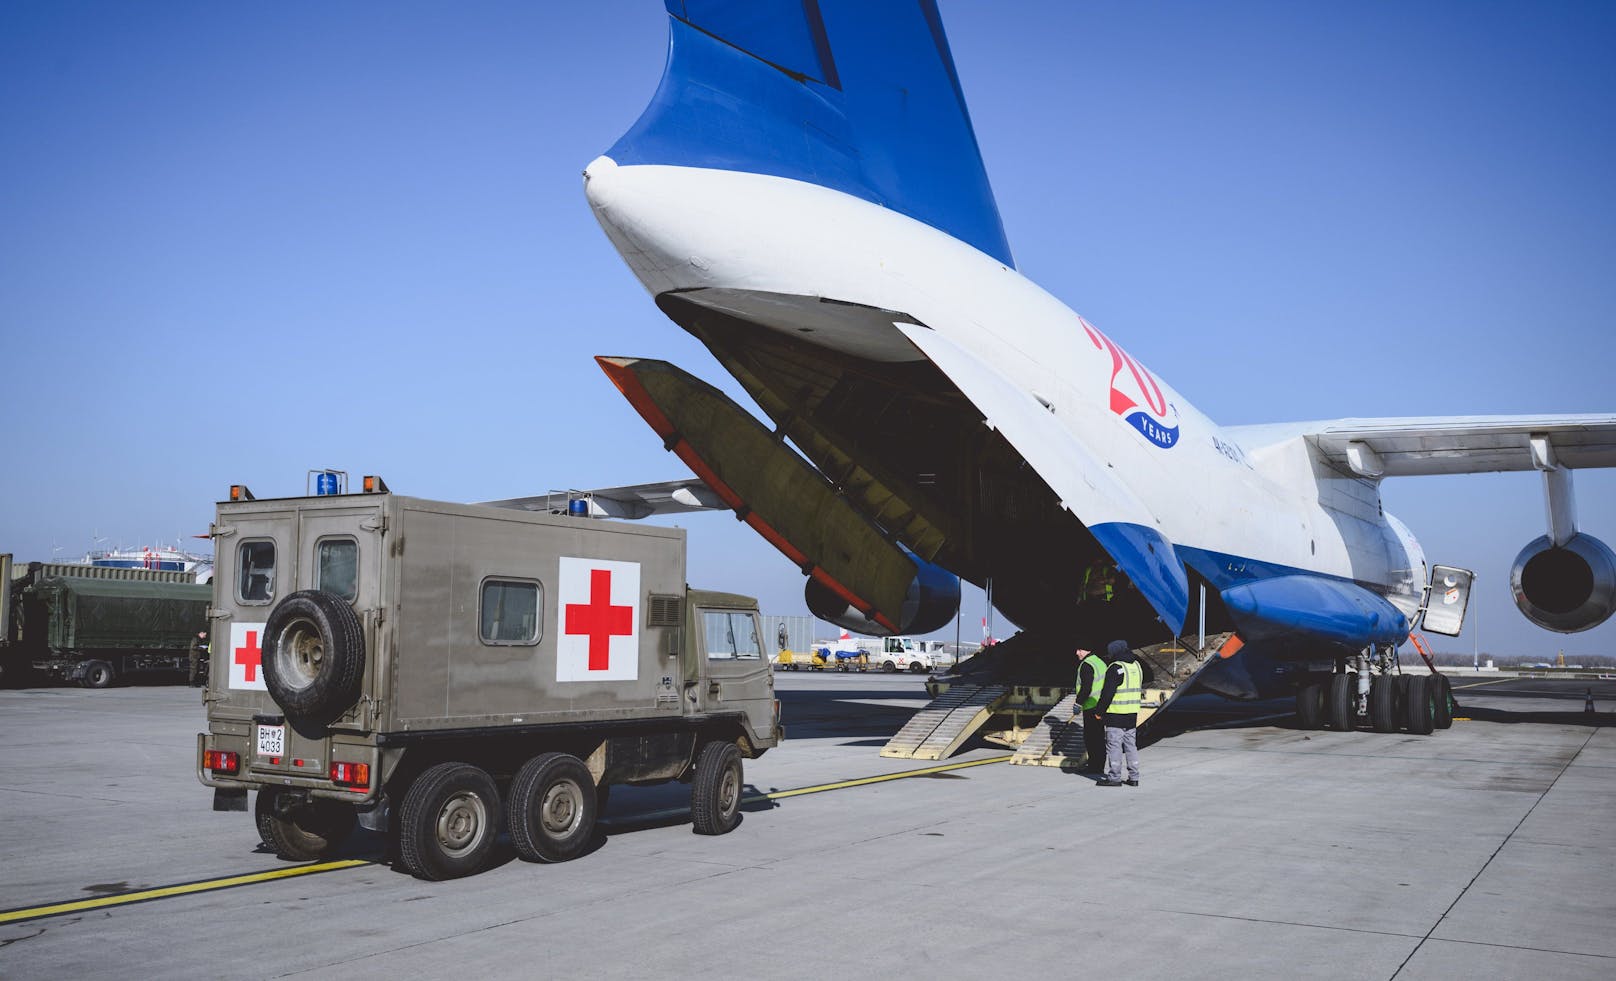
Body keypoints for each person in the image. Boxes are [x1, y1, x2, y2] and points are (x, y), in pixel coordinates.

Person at [1094, 639, 1154, 787]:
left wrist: (1099, 711)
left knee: (1114, 746)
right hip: (1132, 714)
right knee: (1130, 746)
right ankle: (1134, 777)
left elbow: (1107, 693)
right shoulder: (1136, 666)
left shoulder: (1115, 668)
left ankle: (1114, 777)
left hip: (1116, 715)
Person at [1072, 646, 1109, 773]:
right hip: (1101, 705)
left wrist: (1078, 703)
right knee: (1099, 737)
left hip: (1091, 706)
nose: (1077, 653)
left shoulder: (1086, 665)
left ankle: (1094, 767)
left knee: (1091, 738)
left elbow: (1086, 687)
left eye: (1080, 650)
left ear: (1087, 650)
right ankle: (1099, 765)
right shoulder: (1100, 662)